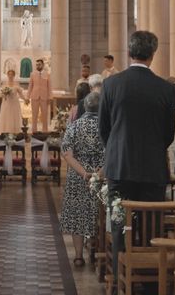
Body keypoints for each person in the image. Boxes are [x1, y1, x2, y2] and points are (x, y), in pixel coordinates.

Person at [98, 31, 175, 280]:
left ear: (129, 52)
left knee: (120, 219)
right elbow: (168, 133)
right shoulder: (165, 88)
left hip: (119, 165)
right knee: (152, 221)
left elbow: (104, 128)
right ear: (153, 54)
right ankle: (151, 279)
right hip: (153, 168)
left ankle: (123, 276)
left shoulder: (111, 84)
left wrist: (116, 148)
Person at [60, 92, 105, 267]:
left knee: (78, 214)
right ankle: (96, 251)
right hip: (101, 177)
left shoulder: (74, 126)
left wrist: (83, 173)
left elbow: (67, 153)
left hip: (77, 177)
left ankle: (79, 255)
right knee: (98, 212)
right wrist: (98, 173)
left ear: (84, 107)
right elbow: (113, 153)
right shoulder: (106, 127)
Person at [0, 69, 25, 135]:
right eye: (9, 74)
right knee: (6, 116)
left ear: (14, 75)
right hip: (7, 103)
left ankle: (14, 131)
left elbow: (20, 94)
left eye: (12, 74)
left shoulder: (16, 83)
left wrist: (25, 99)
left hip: (14, 103)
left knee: (14, 116)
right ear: (7, 75)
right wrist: (4, 94)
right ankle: (6, 130)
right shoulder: (4, 83)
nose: (10, 76)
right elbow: (1, 94)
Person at [28, 59, 52, 132]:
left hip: (44, 97)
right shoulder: (32, 74)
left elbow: (49, 86)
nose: (38, 66)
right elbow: (30, 86)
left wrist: (50, 97)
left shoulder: (47, 74)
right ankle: (34, 131)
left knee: (44, 115)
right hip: (34, 97)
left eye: (39, 64)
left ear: (43, 65)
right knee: (34, 115)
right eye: (37, 65)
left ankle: (45, 130)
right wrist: (27, 96)